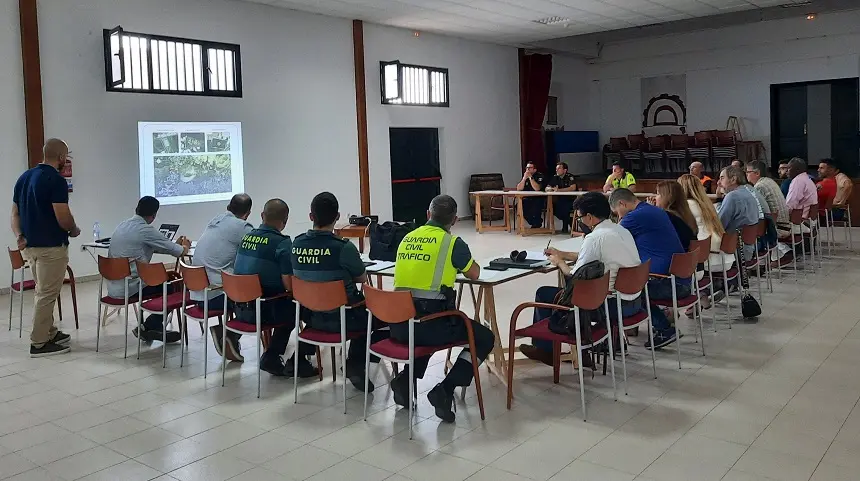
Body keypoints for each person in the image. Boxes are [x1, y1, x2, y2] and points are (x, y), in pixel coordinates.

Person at [390, 194, 495, 423]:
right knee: (484, 338)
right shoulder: (452, 243)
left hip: (399, 324)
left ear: (428, 215)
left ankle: (405, 380)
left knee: (428, 330)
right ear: (455, 220)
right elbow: (474, 273)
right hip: (431, 325)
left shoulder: (407, 237)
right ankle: (445, 389)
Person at [519, 192, 642, 365]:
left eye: (580, 217)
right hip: (634, 301)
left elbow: (574, 278)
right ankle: (585, 349)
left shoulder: (594, 238)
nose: (580, 221)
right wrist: (563, 254)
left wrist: (559, 261)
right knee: (565, 296)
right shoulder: (620, 230)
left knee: (546, 293)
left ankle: (546, 350)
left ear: (590, 217)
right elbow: (594, 258)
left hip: (611, 306)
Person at [291, 192, 385, 392]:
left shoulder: (296, 244)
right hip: (344, 320)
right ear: (337, 217)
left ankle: (297, 358)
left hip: (311, 317)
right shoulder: (343, 248)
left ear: (311, 217)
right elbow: (361, 278)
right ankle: (355, 365)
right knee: (374, 314)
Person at [233, 199, 318, 378]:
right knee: (309, 309)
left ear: (262, 216)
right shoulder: (282, 243)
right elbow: (289, 285)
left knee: (287, 305)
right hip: (263, 311)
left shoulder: (246, 237)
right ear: (285, 221)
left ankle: (274, 355)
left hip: (239, 308)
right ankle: (297, 360)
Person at [11, 139, 80, 357]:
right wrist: (74, 229)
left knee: (43, 292)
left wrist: (19, 236)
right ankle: (39, 342)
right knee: (47, 293)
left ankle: (49, 331)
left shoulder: (24, 177)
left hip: (29, 246)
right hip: (51, 247)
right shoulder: (56, 181)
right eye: (66, 155)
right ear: (61, 157)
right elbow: (62, 216)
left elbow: (14, 214)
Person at [609, 188, 686, 349]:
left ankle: (663, 328)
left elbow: (611, 237)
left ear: (622, 203)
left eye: (617, 212)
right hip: (680, 278)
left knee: (632, 290)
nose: (619, 216)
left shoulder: (634, 216)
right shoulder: (652, 210)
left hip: (668, 283)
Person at [107, 196, 190, 344]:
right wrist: (185, 246)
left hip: (114, 287)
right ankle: (150, 326)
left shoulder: (122, 225)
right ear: (153, 215)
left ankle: (152, 328)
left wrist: (168, 244)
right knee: (175, 286)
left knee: (167, 279)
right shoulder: (145, 230)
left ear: (136, 209)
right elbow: (179, 252)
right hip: (132, 288)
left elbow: (161, 246)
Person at [191, 193, 254, 362]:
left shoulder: (215, 221)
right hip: (216, 296)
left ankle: (228, 334)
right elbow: (258, 250)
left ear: (228, 207)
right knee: (259, 301)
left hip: (197, 295)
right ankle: (228, 334)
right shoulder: (242, 227)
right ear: (248, 213)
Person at [677, 175, 734, 301]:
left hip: (709, 261)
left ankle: (699, 294)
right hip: (725, 257)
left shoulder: (686, 206)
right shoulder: (706, 203)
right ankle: (708, 290)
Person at [745, 161, 792, 261]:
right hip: (784, 224)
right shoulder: (769, 181)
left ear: (757, 173)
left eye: (748, 172)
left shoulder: (759, 186)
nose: (746, 175)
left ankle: (754, 261)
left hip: (777, 228)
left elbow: (756, 210)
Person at [653, 181, 698, 250]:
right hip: (686, 258)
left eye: (658, 194)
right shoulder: (686, 216)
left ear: (667, 198)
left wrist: (650, 211)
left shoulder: (666, 216)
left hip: (673, 258)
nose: (655, 198)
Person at [545, 162, 577, 233]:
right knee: (551, 206)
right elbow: (547, 187)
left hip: (571, 199)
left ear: (565, 170)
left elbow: (573, 188)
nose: (557, 170)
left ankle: (565, 225)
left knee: (564, 206)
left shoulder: (570, 177)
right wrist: (550, 189)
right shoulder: (555, 177)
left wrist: (559, 190)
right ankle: (569, 221)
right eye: (556, 169)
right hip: (560, 199)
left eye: (559, 168)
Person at [516, 161, 546, 229]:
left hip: (538, 198)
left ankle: (536, 223)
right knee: (519, 206)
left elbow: (537, 188)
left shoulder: (540, 176)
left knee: (535, 206)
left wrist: (531, 178)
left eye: (530, 168)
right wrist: (524, 179)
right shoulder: (525, 176)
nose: (527, 169)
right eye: (527, 168)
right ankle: (535, 222)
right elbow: (519, 188)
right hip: (527, 198)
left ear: (535, 169)